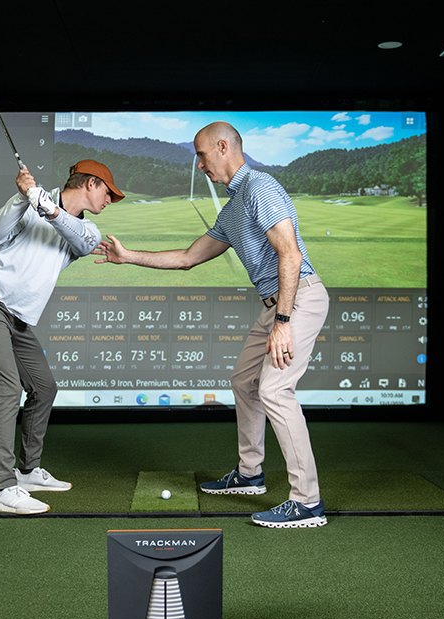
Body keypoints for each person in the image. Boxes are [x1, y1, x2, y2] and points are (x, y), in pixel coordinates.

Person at [94, 121, 329, 528]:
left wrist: (284, 321)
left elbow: (289, 254)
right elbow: (188, 257)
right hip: (277, 303)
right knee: (244, 381)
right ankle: (250, 474)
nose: (199, 164)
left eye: (202, 155)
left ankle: (307, 501)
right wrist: (129, 256)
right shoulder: (234, 207)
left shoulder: (260, 187)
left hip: (299, 298)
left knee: (275, 389)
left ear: (223, 147)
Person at [0, 160, 125, 514]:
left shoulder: (89, 230)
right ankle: (1, 488)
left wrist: (46, 206)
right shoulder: (28, 202)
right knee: (7, 389)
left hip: (16, 318)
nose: (110, 200)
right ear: (91, 184)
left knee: (44, 387)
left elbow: (77, 239)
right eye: (108, 192)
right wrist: (23, 198)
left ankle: (27, 471)